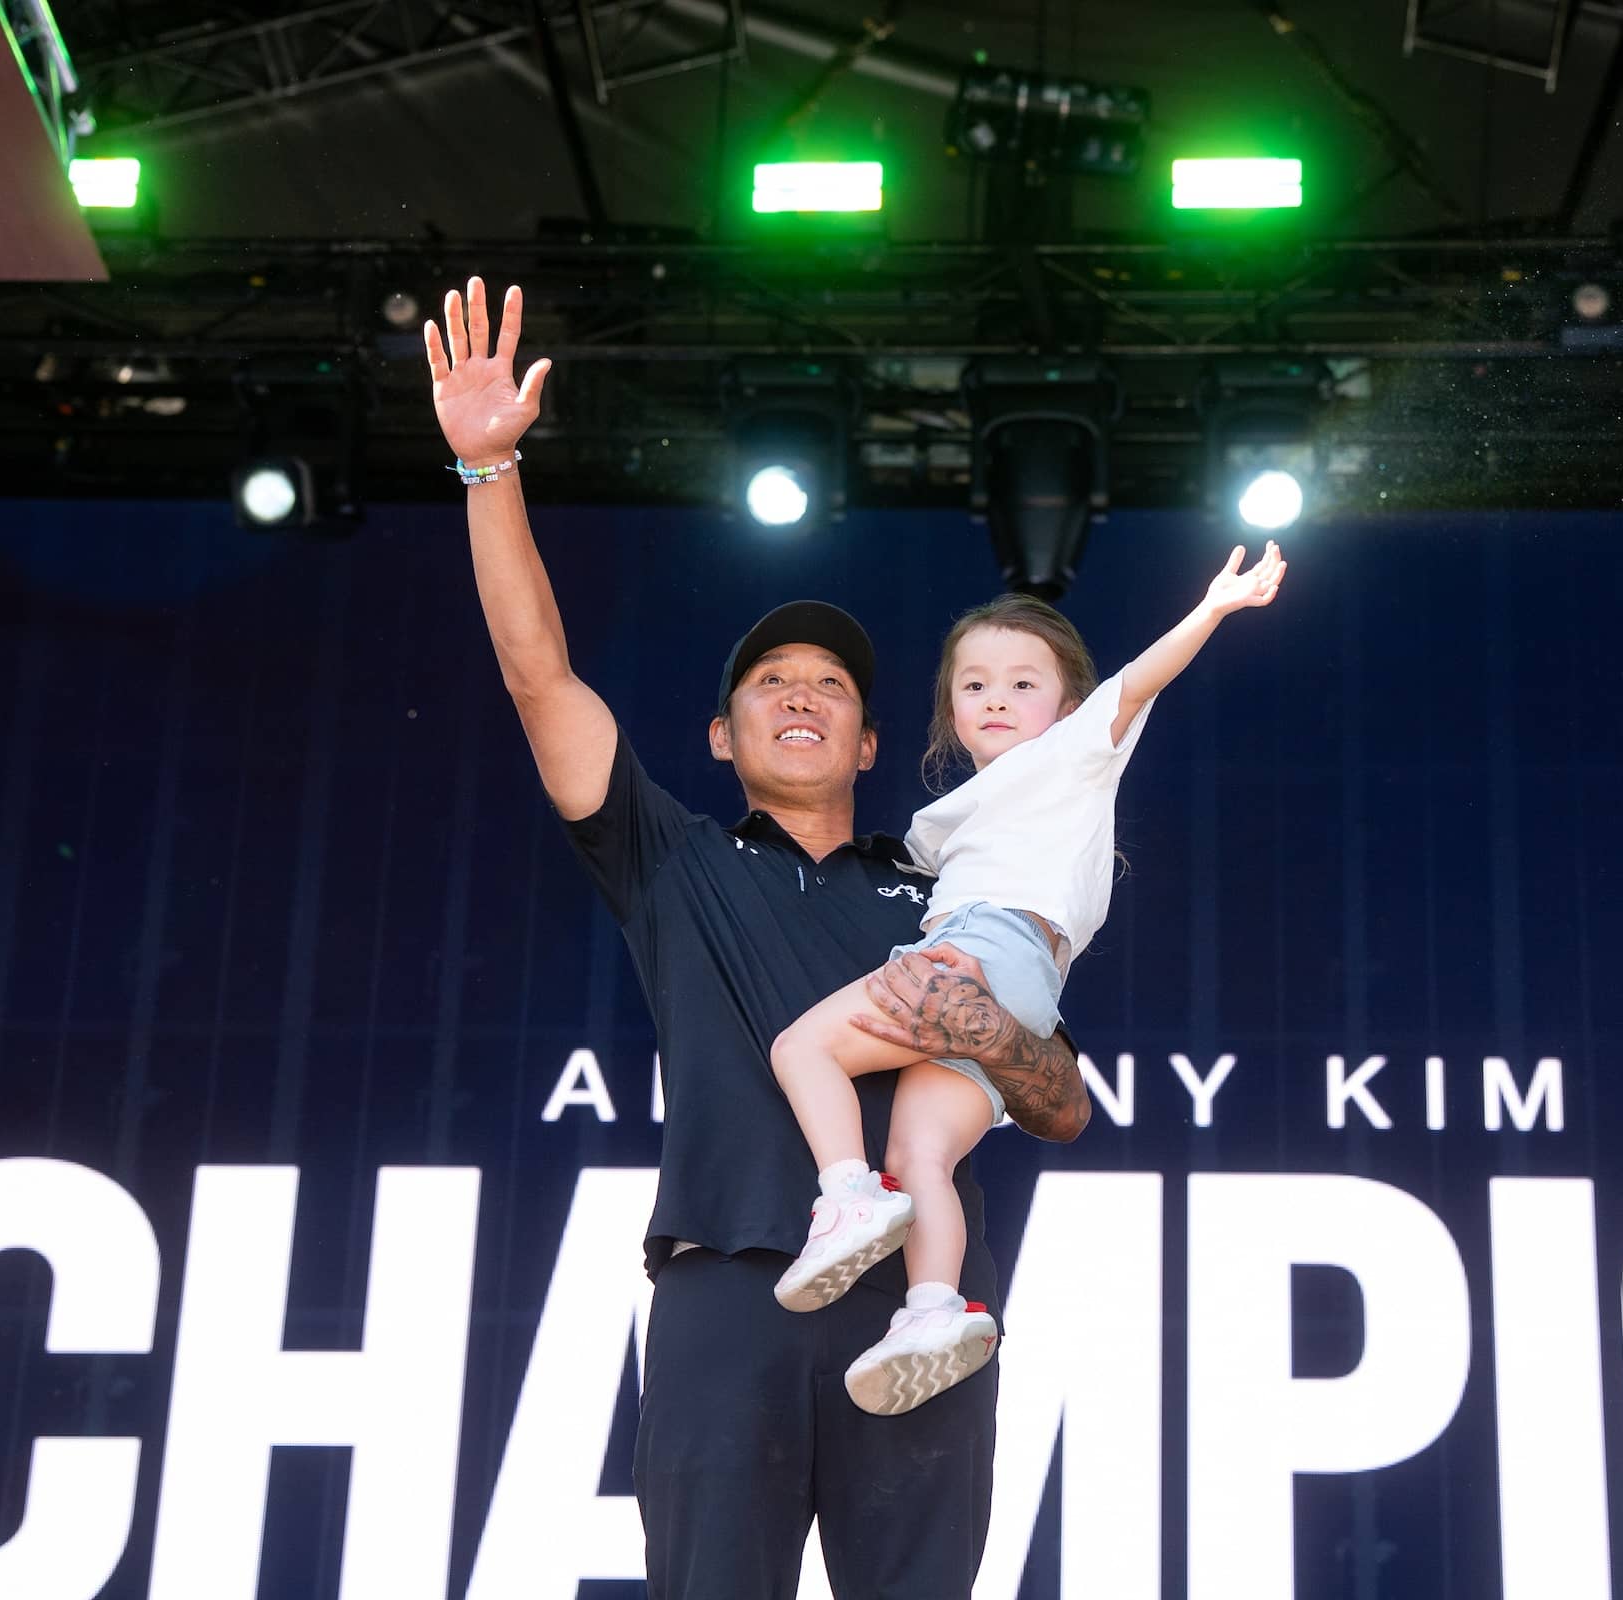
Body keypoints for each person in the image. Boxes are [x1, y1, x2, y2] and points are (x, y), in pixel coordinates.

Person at [423, 276, 1092, 1599]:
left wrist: (992, 1036)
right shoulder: (669, 857)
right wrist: (490, 466)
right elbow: (537, 673)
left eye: (833, 685)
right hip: (726, 1295)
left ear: (873, 744)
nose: (803, 693)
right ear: (722, 738)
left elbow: (1062, 1102)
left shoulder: (947, 890)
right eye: (770, 683)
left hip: (918, 1303)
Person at [767, 556, 1283, 1417]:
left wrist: (1213, 610)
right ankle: (931, 1310)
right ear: (954, 712)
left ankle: (845, 1195)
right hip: (1021, 985)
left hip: (989, 947)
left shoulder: (1071, 757)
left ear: (1069, 709)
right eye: (974, 685)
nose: (996, 698)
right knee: (920, 1155)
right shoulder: (954, 818)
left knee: (801, 1046)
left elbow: (1135, 685)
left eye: (1021, 682)